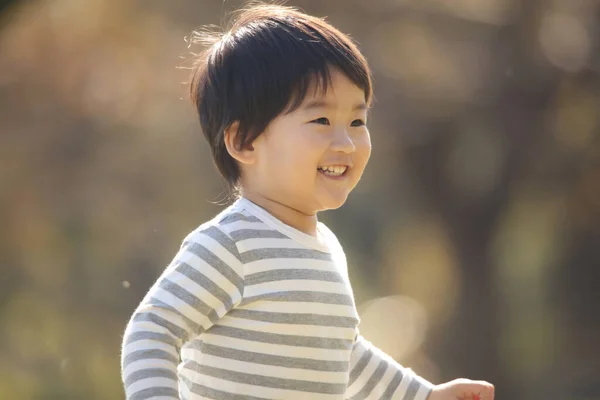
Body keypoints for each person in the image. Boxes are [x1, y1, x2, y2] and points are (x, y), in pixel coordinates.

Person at [120, 3, 495, 399]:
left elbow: (343, 356)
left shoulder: (327, 248)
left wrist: (424, 395)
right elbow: (153, 331)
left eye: (357, 121)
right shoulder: (231, 246)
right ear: (244, 140)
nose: (346, 143)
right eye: (321, 121)